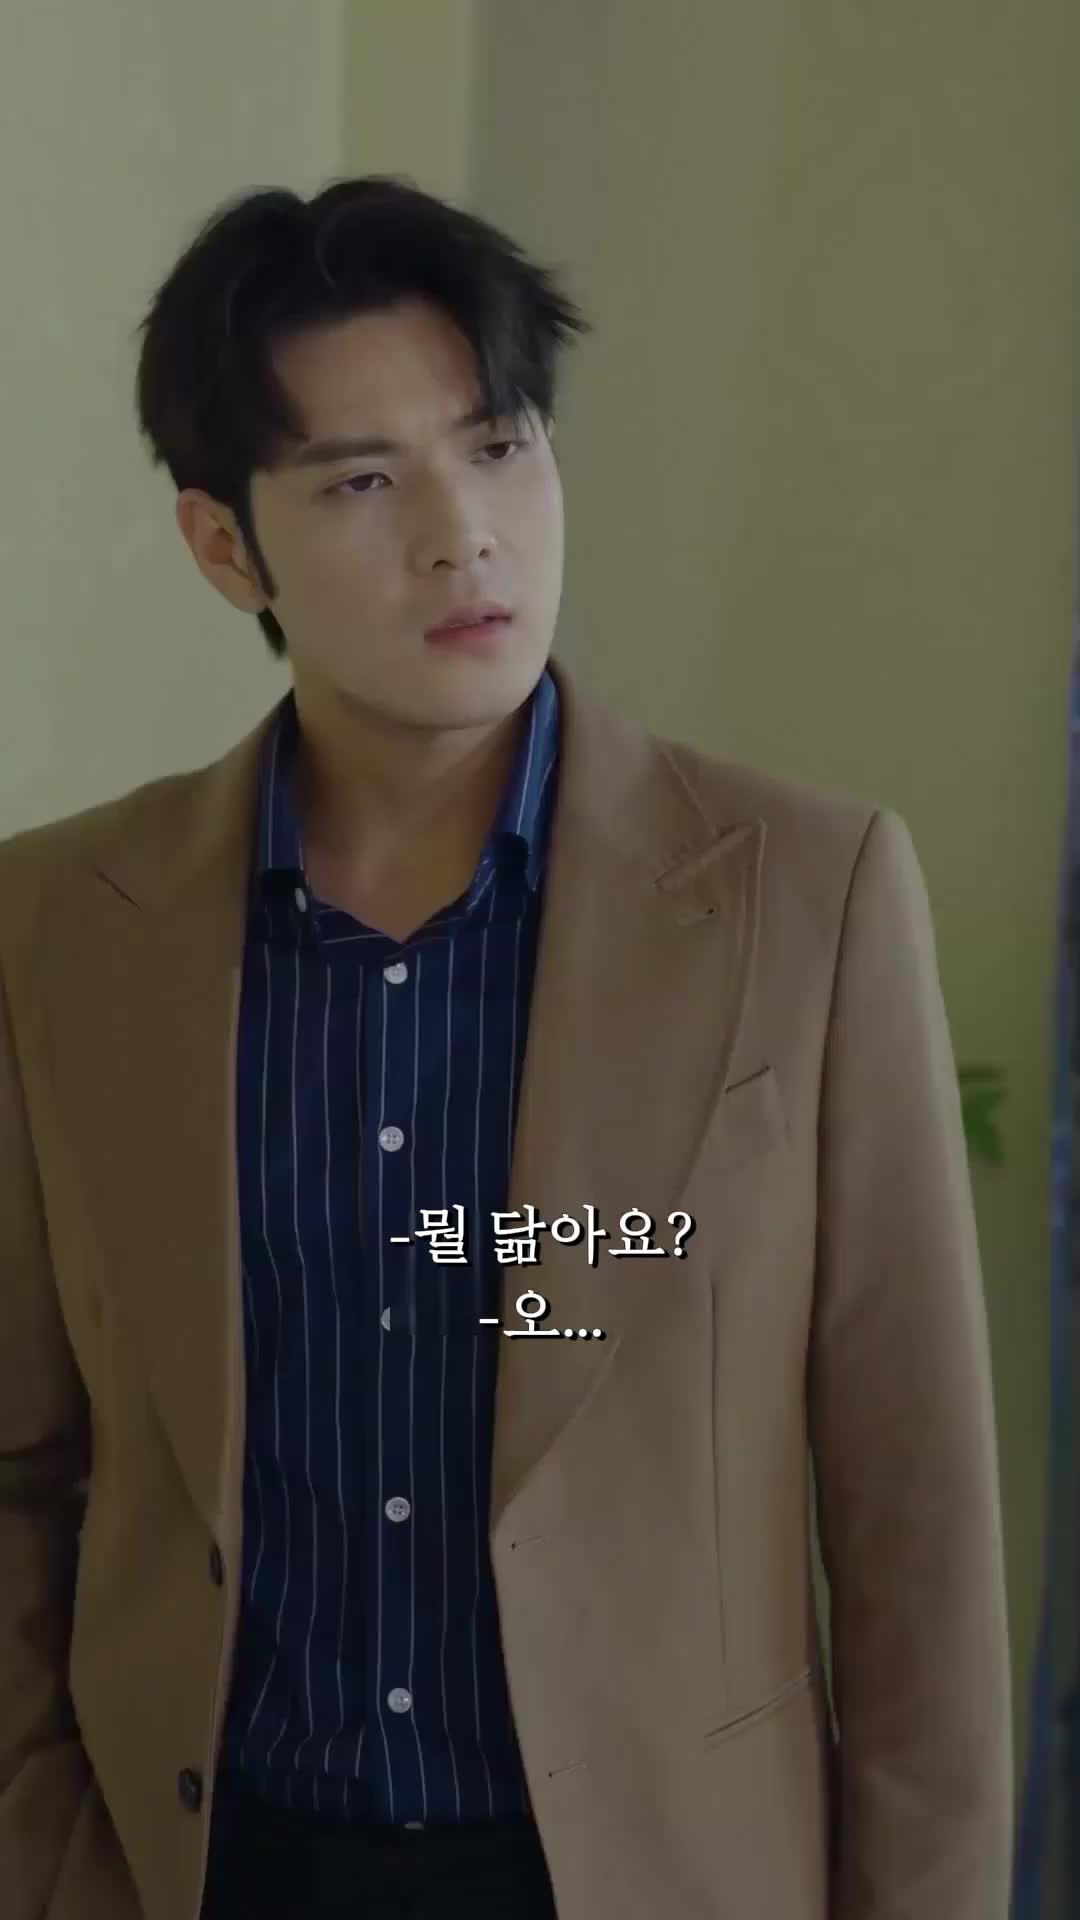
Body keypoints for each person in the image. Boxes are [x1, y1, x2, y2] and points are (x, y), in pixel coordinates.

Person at [0, 174, 1012, 1920]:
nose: (463, 536)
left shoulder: (809, 895)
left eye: (500, 446)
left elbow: (913, 1520)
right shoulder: (63, 927)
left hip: (653, 1874)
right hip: (212, 1866)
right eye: (363, 481)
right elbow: (23, 1470)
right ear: (225, 546)